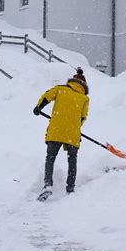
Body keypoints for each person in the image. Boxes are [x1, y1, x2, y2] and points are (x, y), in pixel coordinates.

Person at [33, 67, 89, 195]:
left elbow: (47, 96)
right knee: (72, 159)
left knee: (50, 158)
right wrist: (74, 125)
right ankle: (70, 188)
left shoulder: (60, 89)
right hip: (72, 133)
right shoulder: (84, 99)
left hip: (56, 130)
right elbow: (83, 117)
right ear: (84, 85)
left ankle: (48, 185)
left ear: (72, 81)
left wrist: (38, 108)